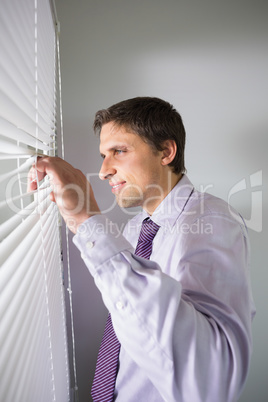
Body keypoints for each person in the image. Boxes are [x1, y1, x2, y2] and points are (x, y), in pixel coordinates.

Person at [28, 97, 255, 402]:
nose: (104, 170)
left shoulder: (212, 221)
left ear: (166, 151)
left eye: (118, 152)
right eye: (103, 155)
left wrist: (88, 219)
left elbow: (209, 384)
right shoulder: (134, 230)